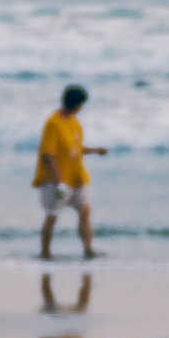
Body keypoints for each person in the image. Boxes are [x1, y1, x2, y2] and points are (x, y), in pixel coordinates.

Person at [33, 85, 106, 260]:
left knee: (85, 211)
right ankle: (45, 252)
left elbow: (74, 149)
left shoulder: (74, 122)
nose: (82, 108)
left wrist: (94, 151)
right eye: (81, 104)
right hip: (55, 180)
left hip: (76, 177)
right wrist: (59, 179)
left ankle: (88, 250)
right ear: (77, 104)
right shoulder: (53, 123)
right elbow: (48, 155)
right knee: (52, 215)